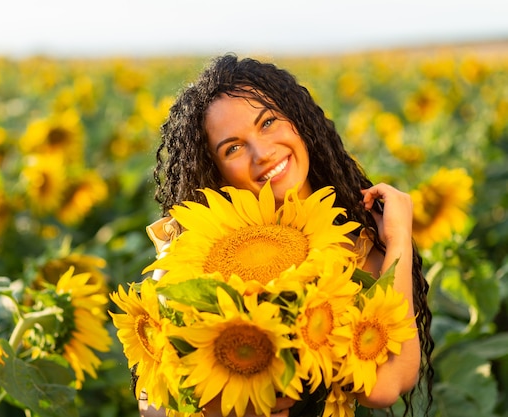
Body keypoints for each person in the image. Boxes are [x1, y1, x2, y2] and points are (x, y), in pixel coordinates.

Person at [139, 53, 433, 417]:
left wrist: (401, 238)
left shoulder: (353, 247)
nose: (262, 153)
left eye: (268, 123)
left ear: (299, 121)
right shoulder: (193, 247)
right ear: (214, 168)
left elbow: (387, 384)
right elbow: (151, 402)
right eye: (233, 147)